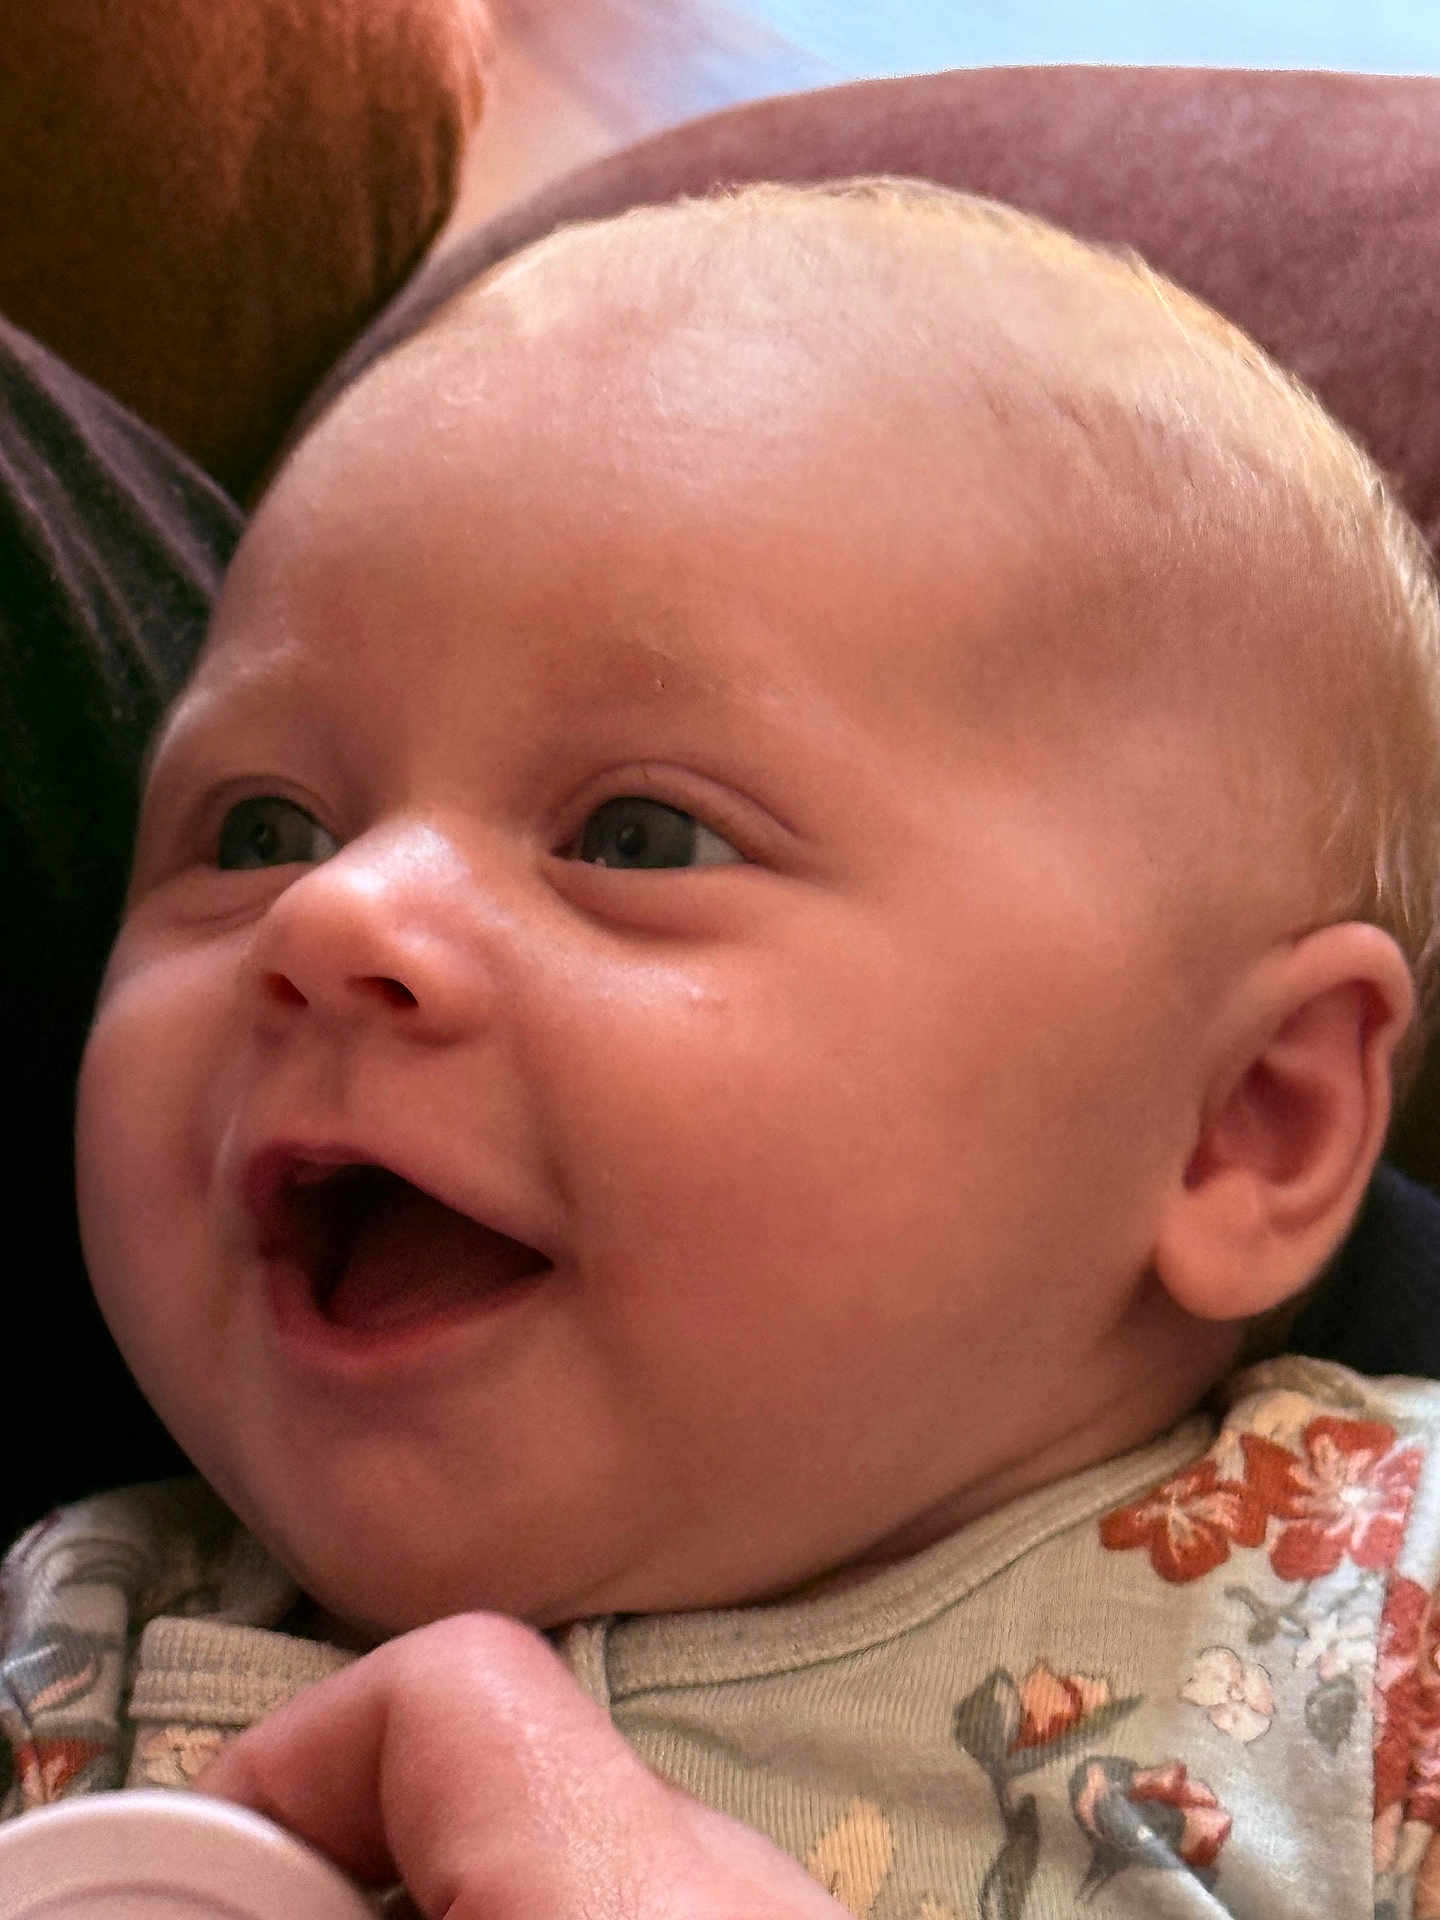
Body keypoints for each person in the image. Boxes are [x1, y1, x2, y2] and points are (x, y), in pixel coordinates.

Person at [4, 179, 1440, 1920]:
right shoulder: (67, 1641)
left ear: (1244, 1125)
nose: (336, 916)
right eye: (258, 829)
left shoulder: (1382, 1628)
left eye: (639, 839)